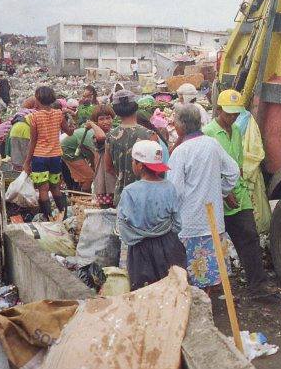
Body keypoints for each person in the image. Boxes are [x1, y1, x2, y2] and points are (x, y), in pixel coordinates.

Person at [203, 89, 276, 297]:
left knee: (250, 237)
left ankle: (258, 286)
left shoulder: (236, 131)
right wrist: (225, 193)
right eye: (229, 113)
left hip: (239, 194)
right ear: (218, 110)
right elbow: (209, 170)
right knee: (216, 242)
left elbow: (238, 164)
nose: (232, 117)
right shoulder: (208, 133)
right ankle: (214, 286)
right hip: (219, 196)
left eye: (236, 113)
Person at [166, 103, 240, 291]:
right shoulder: (212, 144)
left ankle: (197, 309)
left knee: (189, 277)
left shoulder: (180, 152)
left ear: (180, 126)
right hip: (213, 219)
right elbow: (233, 172)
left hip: (190, 222)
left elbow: (175, 190)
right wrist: (220, 192)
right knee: (209, 274)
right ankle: (207, 304)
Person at [118, 140, 186, 290]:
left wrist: (142, 235)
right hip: (169, 246)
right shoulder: (169, 187)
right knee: (171, 289)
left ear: (140, 165)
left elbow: (124, 228)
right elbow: (177, 224)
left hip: (140, 250)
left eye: (133, 161)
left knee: (144, 293)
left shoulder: (130, 191)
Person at [95, 89, 156, 207]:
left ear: (116, 111)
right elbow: (156, 167)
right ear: (136, 107)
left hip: (122, 196)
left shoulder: (110, 137)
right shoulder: (150, 135)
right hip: (147, 196)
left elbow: (108, 168)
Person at [23, 86, 73, 220]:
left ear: (38, 99)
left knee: (43, 189)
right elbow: (69, 132)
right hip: (56, 157)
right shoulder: (58, 114)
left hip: (39, 157)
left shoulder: (34, 117)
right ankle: (63, 214)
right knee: (55, 187)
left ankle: (48, 217)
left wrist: (27, 162)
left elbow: (33, 141)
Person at [233, 99, 272, 235]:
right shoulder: (245, 119)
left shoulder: (245, 120)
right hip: (245, 172)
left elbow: (256, 152)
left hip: (245, 172)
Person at [61, 105, 114, 191]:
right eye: (101, 119)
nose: (105, 122)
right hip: (69, 150)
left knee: (92, 173)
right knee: (89, 177)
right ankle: (86, 198)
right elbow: (97, 157)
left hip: (82, 149)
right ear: (96, 122)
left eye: (108, 118)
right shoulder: (93, 133)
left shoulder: (111, 132)